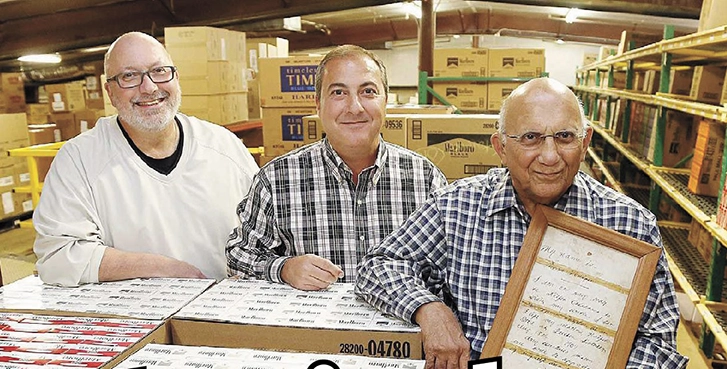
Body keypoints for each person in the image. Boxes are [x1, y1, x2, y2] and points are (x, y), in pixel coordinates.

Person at [355, 78, 687, 368]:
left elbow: (658, 341)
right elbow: (379, 265)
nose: (550, 156)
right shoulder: (457, 206)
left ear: (585, 143)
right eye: (530, 138)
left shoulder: (629, 223)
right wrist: (428, 308)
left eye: (564, 137)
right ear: (500, 147)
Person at [32, 32, 259, 287]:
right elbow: (58, 256)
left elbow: (267, 232)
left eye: (159, 71)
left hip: (220, 314)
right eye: (129, 76)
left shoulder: (223, 146)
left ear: (176, 77)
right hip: (135, 322)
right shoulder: (79, 160)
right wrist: (163, 268)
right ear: (109, 91)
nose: (149, 87)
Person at [226, 45, 447, 291]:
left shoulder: (425, 179)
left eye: (368, 91)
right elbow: (239, 256)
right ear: (318, 105)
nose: (354, 107)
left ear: (386, 101)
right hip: (314, 327)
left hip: (399, 326)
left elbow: (451, 267)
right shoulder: (277, 179)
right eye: (339, 92)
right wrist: (284, 268)